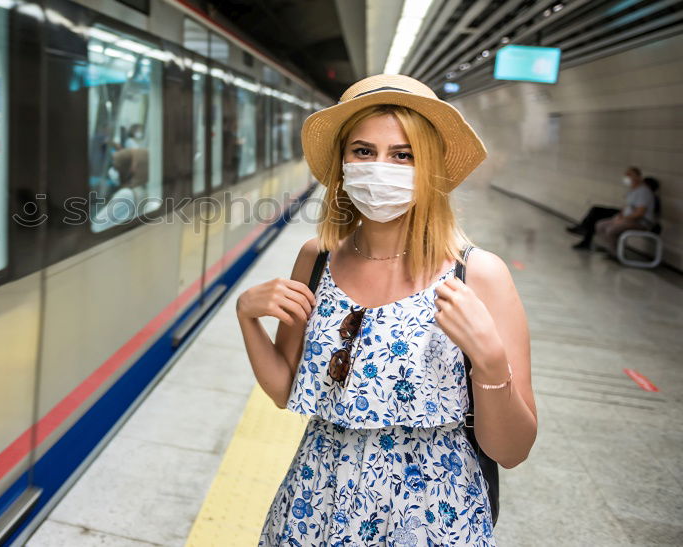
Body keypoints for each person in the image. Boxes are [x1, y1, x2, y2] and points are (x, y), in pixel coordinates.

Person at [236, 74, 537, 546]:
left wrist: (491, 362)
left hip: (432, 517)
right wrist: (247, 318)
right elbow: (287, 390)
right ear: (342, 165)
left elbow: (513, 450)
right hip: (314, 504)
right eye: (363, 151)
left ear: (431, 169)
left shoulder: (477, 275)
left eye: (403, 155)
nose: (380, 169)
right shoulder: (316, 259)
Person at [569, 167, 655, 250]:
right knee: (600, 224)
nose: (626, 178)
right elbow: (626, 208)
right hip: (628, 218)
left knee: (611, 228)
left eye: (629, 175)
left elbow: (640, 213)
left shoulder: (644, 192)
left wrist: (623, 219)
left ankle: (615, 253)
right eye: (626, 175)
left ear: (638, 177)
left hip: (639, 222)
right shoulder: (632, 191)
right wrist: (619, 216)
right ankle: (609, 248)